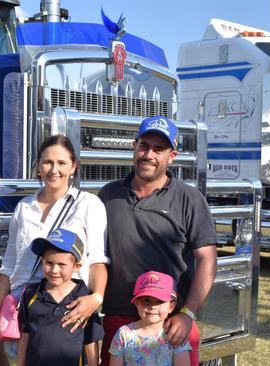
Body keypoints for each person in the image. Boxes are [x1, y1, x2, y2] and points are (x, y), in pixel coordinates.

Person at [98, 116, 218, 366]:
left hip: (171, 321)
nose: (149, 154)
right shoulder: (109, 195)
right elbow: (95, 256)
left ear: (171, 156)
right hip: (119, 319)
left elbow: (207, 259)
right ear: (134, 146)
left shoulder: (189, 199)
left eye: (159, 149)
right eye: (144, 145)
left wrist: (187, 313)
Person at [0, 135, 108, 363]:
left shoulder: (89, 205)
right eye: (47, 162)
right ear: (37, 167)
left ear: (74, 166)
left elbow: (97, 261)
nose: (54, 169)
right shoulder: (24, 207)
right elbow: (9, 265)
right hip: (24, 311)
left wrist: (96, 298)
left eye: (62, 163)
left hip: (68, 308)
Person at [18, 228, 104, 366]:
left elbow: (90, 341)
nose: (54, 270)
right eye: (49, 263)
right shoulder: (30, 294)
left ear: (76, 266)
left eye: (62, 264)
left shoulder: (85, 299)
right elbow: (24, 336)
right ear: (42, 260)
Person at [109, 271, 191, 366]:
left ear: (171, 306)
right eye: (146, 300)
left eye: (160, 301)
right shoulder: (123, 334)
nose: (153, 306)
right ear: (137, 303)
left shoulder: (175, 335)